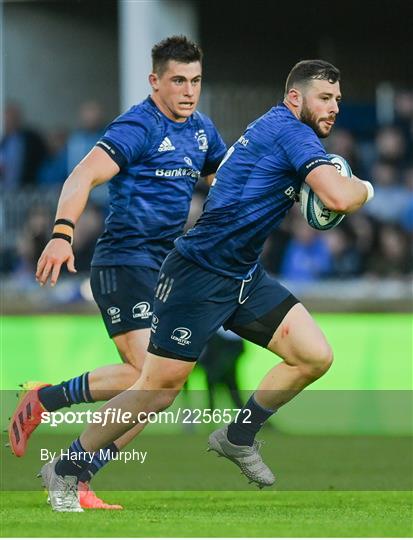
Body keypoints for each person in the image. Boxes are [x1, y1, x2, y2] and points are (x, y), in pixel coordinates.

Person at [40, 59, 375, 512]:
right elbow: (337, 197)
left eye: (337, 99)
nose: (334, 107)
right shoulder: (292, 133)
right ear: (295, 97)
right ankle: (65, 467)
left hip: (243, 274)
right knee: (156, 390)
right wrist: (363, 188)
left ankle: (239, 435)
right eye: (325, 98)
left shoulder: (279, 133)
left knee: (314, 355)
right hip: (198, 273)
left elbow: (239, 179)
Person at [8, 35, 226, 510]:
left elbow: (224, 178)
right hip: (124, 262)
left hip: (166, 268)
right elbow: (82, 174)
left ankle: (76, 473)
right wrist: (63, 232)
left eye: (196, 81)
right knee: (147, 378)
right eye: (178, 81)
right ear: (155, 81)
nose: (189, 91)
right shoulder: (139, 126)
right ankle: (47, 406)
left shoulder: (203, 130)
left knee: (158, 392)